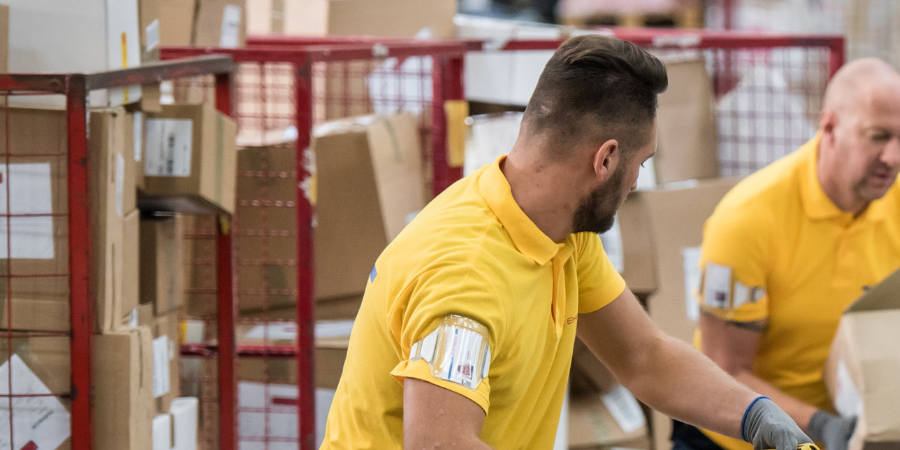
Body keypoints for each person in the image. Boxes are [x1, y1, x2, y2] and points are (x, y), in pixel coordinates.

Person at [319, 35, 813, 450]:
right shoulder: (466, 278)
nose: (637, 182)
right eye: (641, 164)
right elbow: (440, 445)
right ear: (605, 160)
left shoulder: (557, 231)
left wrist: (755, 417)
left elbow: (645, 358)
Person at [672, 58, 900, 450]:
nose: (893, 157)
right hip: (741, 438)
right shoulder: (748, 218)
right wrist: (821, 425)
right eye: (877, 136)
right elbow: (726, 371)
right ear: (830, 126)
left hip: (851, 432)